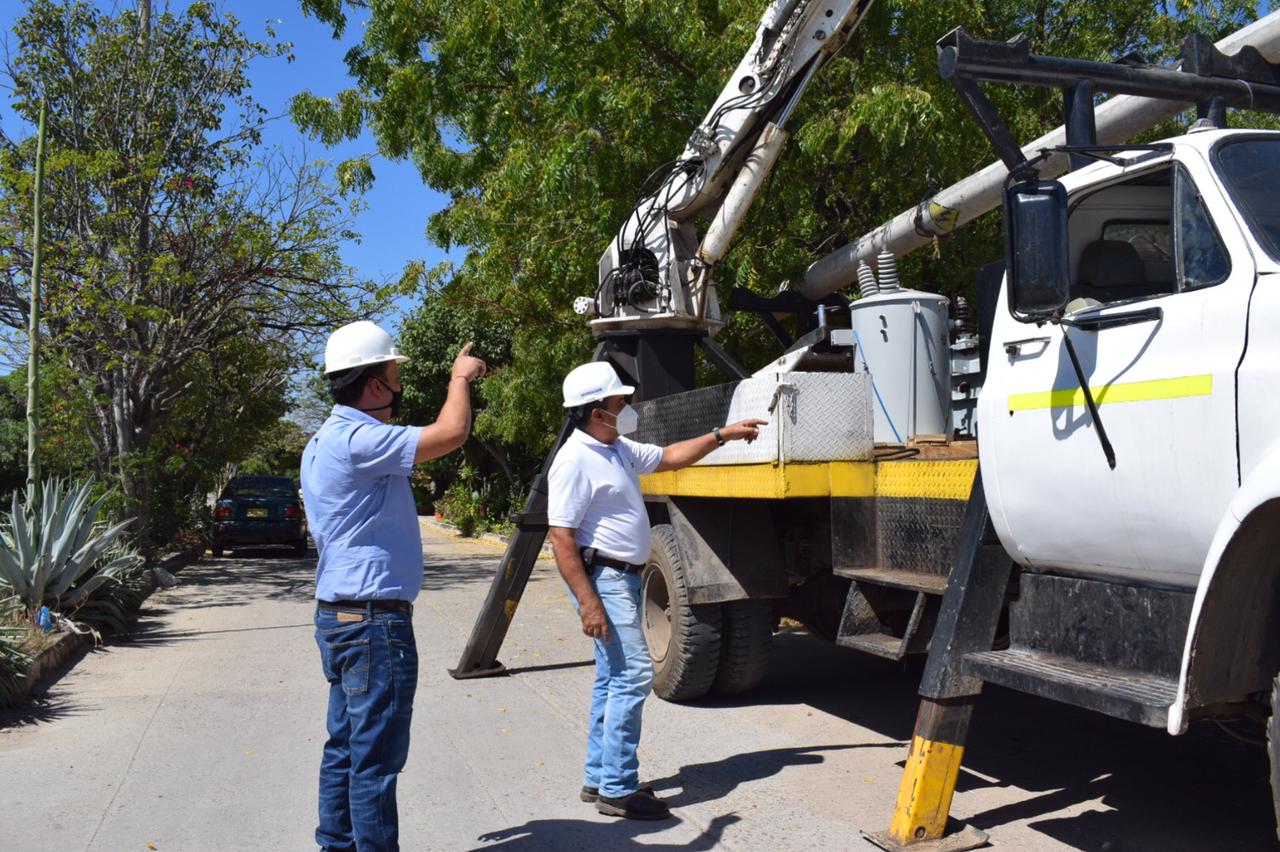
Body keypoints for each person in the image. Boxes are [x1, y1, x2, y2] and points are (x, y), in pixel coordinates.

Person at [546, 360, 767, 821]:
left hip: (621, 576)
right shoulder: (574, 461)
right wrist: (589, 604)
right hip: (603, 580)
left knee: (612, 679)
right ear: (593, 410)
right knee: (632, 677)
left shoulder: (617, 448)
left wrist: (721, 435)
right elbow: (562, 537)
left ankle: (599, 776)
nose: (625, 408)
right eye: (617, 402)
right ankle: (619, 790)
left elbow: (668, 457)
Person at [300, 320, 486, 852]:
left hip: (341, 617)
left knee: (346, 747)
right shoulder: (360, 438)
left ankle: (335, 845)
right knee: (375, 762)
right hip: (372, 625)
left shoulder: (323, 440)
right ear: (376, 384)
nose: (399, 382)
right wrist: (459, 379)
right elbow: (451, 433)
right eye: (395, 372)